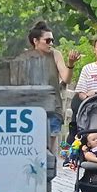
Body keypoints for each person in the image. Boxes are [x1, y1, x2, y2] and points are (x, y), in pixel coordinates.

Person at [27, 21, 81, 154]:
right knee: (34, 146)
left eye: (52, 40)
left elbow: (66, 78)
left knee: (50, 149)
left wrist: (71, 64)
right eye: (47, 40)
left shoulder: (55, 55)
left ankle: (50, 174)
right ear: (36, 41)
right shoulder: (26, 59)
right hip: (32, 109)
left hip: (53, 107)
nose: (51, 43)